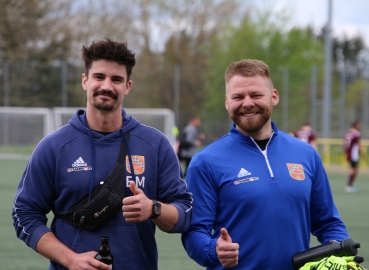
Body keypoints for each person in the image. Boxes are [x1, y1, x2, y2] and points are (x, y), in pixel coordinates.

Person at [12, 38, 193, 270]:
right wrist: (70, 259)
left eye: (116, 79)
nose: (107, 86)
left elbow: (185, 212)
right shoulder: (54, 147)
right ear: (85, 81)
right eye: (99, 77)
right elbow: (24, 214)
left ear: (127, 86)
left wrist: (153, 208)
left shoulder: (155, 144)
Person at [181, 59, 349, 269]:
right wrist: (214, 249)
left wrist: (340, 251)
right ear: (227, 102)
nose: (247, 103)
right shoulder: (205, 161)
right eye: (238, 97)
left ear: (274, 96)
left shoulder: (306, 154)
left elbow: (329, 224)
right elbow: (194, 233)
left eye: (256, 95)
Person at [343, 121, 362, 193]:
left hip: (349, 153)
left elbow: (345, 143)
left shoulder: (349, 132)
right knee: (355, 169)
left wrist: (345, 153)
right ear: (356, 125)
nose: (360, 126)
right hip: (354, 154)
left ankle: (350, 184)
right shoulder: (356, 133)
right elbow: (359, 144)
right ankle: (349, 185)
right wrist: (362, 154)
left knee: (353, 169)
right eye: (359, 124)